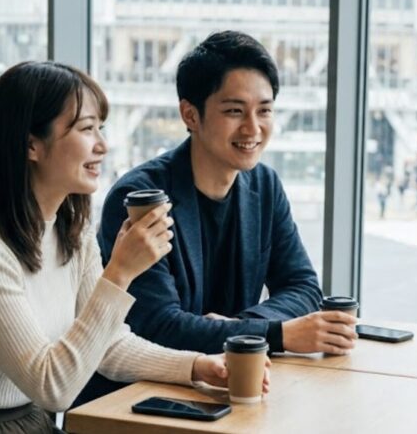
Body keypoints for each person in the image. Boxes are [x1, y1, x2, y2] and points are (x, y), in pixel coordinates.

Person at [0, 62, 250, 433]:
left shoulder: (71, 234)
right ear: (31, 144)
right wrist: (120, 273)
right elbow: (53, 387)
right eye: (85, 128)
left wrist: (196, 366)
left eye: (100, 128)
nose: (101, 145)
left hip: (27, 421)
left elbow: (106, 345)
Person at [80, 31, 351, 405]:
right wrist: (275, 334)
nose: (253, 128)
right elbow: (158, 326)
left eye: (265, 110)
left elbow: (303, 287)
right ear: (190, 114)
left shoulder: (264, 185)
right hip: (134, 403)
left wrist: (238, 328)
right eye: (234, 111)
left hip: (222, 390)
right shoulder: (140, 199)